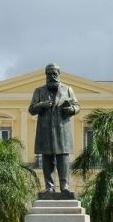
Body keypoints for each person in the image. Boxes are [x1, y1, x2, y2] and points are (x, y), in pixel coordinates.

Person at [28, 63, 80, 193]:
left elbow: (77, 106)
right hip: (45, 130)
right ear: (46, 75)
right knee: (47, 158)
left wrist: (71, 109)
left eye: (54, 74)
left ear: (59, 74)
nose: (52, 76)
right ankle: (49, 187)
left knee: (63, 158)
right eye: (49, 74)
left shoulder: (68, 90)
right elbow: (31, 109)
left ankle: (64, 186)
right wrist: (42, 105)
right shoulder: (39, 91)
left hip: (62, 129)